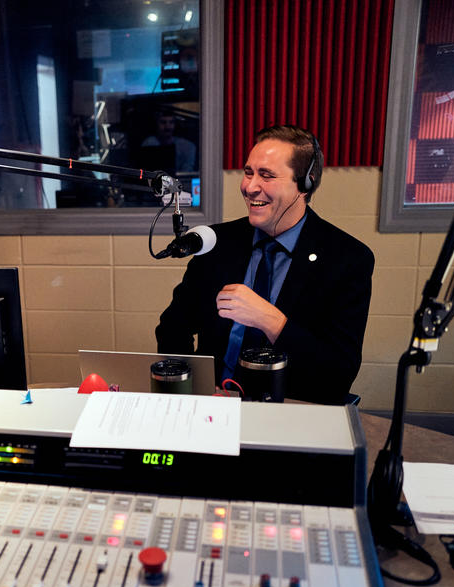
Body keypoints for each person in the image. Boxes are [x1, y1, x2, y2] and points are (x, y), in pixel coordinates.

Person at [155, 125, 374, 405]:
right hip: (214, 406)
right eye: (249, 172)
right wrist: (191, 388)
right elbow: (172, 327)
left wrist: (271, 320)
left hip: (293, 412)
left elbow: (338, 373)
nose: (250, 187)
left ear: (306, 183)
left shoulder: (347, 259)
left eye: (267, 175)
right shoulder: (217, 243)